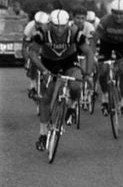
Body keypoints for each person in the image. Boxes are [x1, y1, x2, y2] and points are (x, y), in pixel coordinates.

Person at [27, 9, 92, 149]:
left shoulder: (74, 32)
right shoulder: (42, 33)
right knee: (46, 98)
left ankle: (72, 106)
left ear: (67, 24)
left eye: (62, 26)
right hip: (49, 63)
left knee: (76, 85)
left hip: (69, 61)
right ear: (50, 24)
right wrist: (43, 71)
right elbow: (32, 53)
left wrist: (87, 74)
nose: (59, 29)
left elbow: (88, 52)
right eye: (56, 26)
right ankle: (43, 134)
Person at [95, 0, 123, 116]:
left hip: (122, 45)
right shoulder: (104, 21)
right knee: (103, 71)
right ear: (111, 12)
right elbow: (94, 39)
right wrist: (94, 54)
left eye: (121, 13)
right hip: (106, 44)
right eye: (115, 13)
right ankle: (105, 96)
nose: (118, 16)